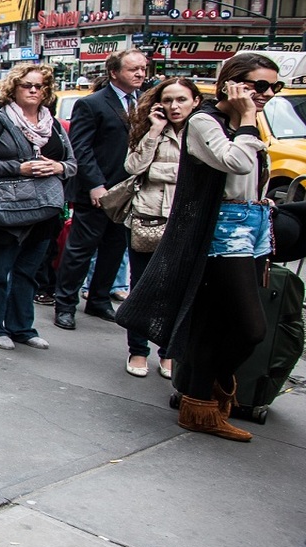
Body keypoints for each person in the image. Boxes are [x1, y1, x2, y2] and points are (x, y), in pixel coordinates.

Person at [118, 54, 280, 442]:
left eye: (274, 87)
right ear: (231, 84)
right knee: (250, 327)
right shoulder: (206, 121)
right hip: (223, 232)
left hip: (251, 226)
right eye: (259, 86)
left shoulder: (239, 121)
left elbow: (252, 175)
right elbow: (236, 162)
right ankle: (209, 388)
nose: (267, 94)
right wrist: (244, 120)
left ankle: (199, 402)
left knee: (217, 323)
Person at [0, 64, 76, 350]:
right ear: (13, 88)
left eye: (40, 86)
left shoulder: (53, 125)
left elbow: (73, 164)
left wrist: (58, 166)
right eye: (27, 85)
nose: (34, 90)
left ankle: (22, 327)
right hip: (5, 209)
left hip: (43, 209)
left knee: (27, 272)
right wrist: (20, 168)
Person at [53, 49, 148, 330]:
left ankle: (99, 299)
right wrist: (95, 185)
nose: (140, 73)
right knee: (80, 249)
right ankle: (65, 303)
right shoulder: (92, 104)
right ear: (114, 72)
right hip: (98, 190)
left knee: (114, 249)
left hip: (129, 190)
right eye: (133, 69)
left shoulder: (144, 103)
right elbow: (80, 148)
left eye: (143, 68)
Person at [120, 77, 200, 378]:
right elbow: (133, 168)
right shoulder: (149, 128)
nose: (174, 106)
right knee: (142, 288)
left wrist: (158, 171)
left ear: (195, 101)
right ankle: (138, 351)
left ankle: (168, 353)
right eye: (168, 100)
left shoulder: (203, 131)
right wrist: (154, 131)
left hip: (185, 221)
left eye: (181, 99)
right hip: (147, 217)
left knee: (178, 290)